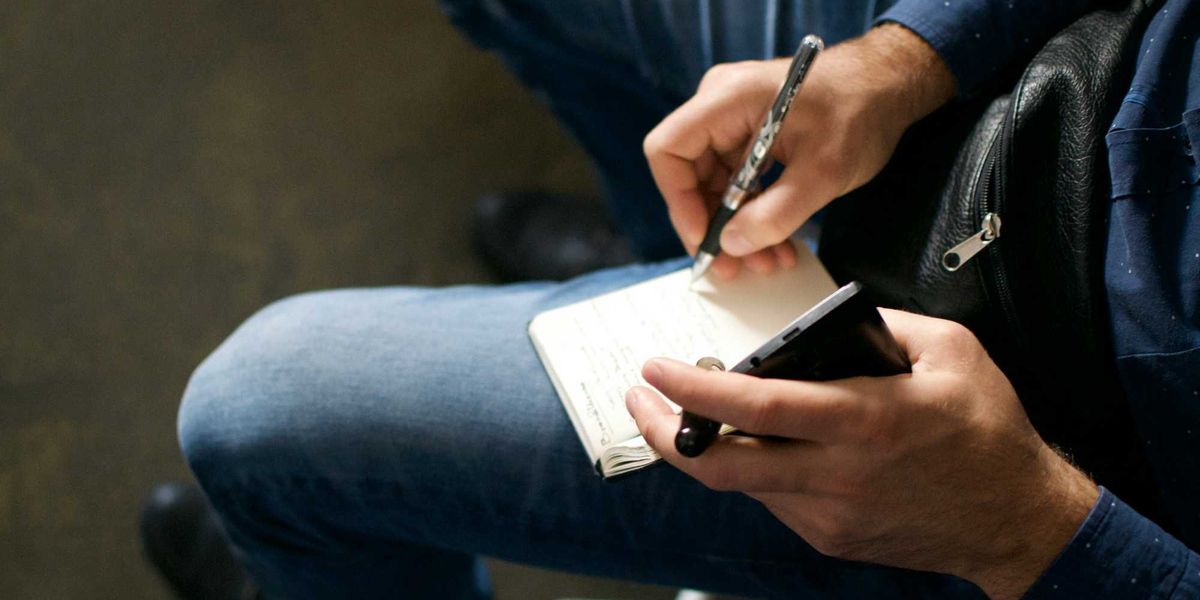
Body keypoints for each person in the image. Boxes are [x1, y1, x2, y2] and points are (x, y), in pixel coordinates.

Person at [175, 0, 1200, 598]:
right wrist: (907, 55)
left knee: (259, 415)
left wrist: (1025, 526)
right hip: (1065, 70)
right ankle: (659, 267)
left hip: (1052, 449)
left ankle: (318, 540)